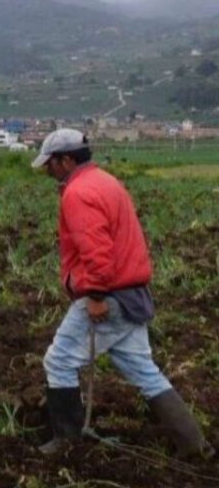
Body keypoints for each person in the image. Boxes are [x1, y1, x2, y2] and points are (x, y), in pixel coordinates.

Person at [32, 129, 212, 458]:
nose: (47, 170)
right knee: (143, 370)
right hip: (132, 292)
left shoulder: (78, 193)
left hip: (109, 295)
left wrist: (97, 296)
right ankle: (194, 445)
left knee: (58, 362)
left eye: (51, 164)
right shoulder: (105, 181)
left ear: (67, 160)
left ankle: (67, 443)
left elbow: (97, 253)